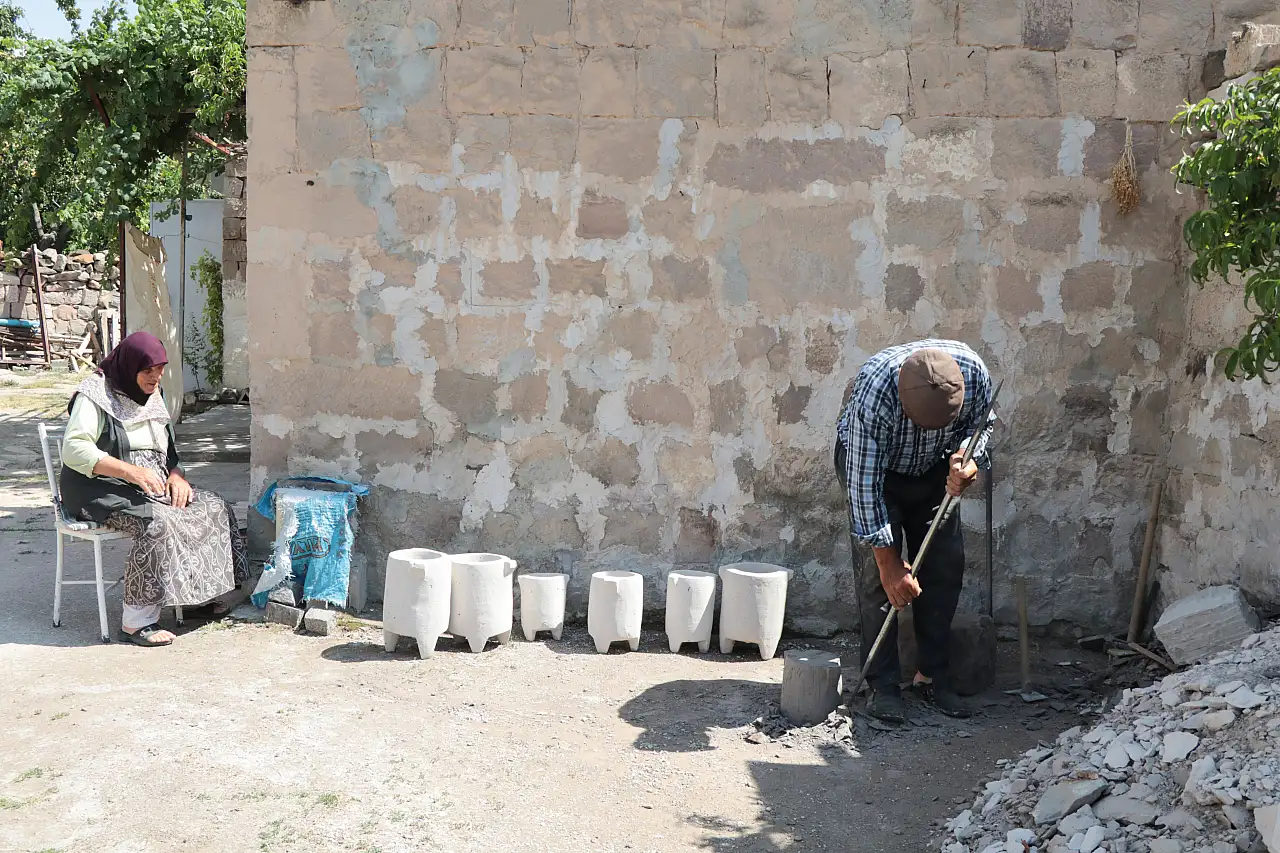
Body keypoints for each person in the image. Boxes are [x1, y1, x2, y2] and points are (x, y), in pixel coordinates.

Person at [833, 340, 995, 723]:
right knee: (879, 581)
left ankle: (932, 675)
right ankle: (884, 686)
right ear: (904, 407)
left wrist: (966, 462)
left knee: (944, 564)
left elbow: (980, 427)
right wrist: (890, 564)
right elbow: (863, 488)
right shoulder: (875, 394)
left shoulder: (972, 374)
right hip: (878, 473)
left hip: (935, 465)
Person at [60, 332, 248, 647]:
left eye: (160, 369)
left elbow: (169, 453)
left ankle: (200, 598)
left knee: (214, 507)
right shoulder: (94, 395)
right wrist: (129, 470)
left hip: (152, 483)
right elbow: (74, 450)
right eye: (148, 370)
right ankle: (137, 623)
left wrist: (177, 475)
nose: (156, 377)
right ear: (129, 367)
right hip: (102, 487)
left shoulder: (152, 393)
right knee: (157, 524)